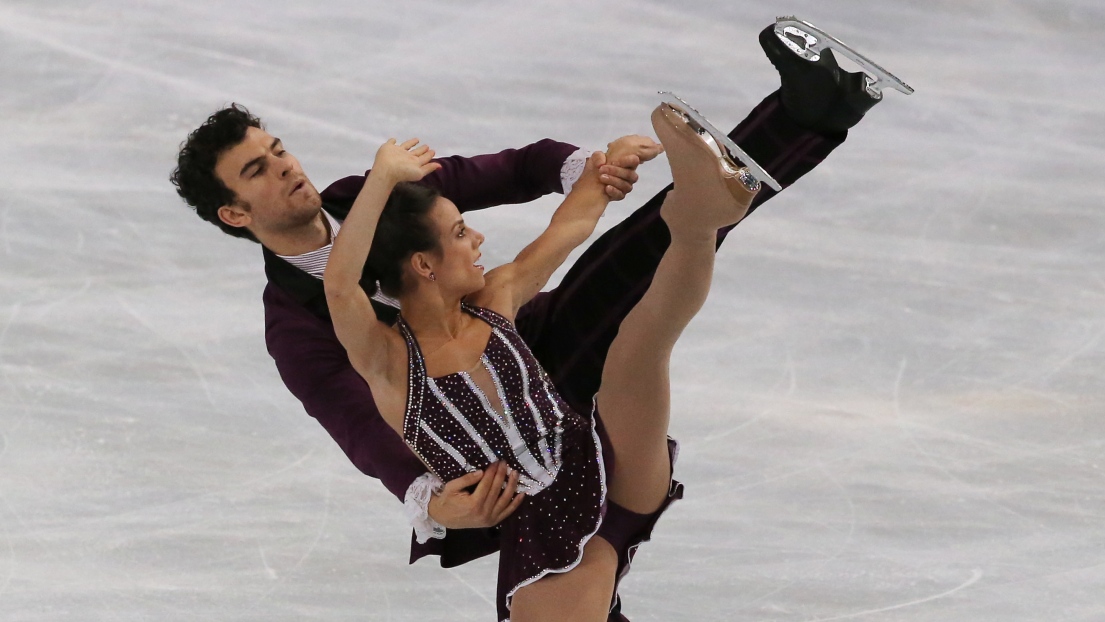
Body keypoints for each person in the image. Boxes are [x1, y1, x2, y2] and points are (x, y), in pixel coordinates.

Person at [170, 20, 888, 619]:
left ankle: (811, 112)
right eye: (257, 171)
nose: (286, 168)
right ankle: (800, 123)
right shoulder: (295, 323)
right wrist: (427, 500)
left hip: (523, 348)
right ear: (234, 213)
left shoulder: (376, 199)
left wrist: (586, 168)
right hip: (491, 453)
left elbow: (507, 173)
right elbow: (355, 422)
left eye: (277, 150)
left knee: (658, 240)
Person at [322, 96, 762, 620]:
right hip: (545, 531)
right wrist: (381, 178)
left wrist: (612, 161)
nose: (477, 237)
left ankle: (696, 216)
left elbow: (570, 225)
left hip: (608, 459)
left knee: (638, 350)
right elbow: (340, 286)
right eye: (460, 233)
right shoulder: (390, 362)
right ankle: (695, 216)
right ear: (423, 264)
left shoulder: (494, 301)